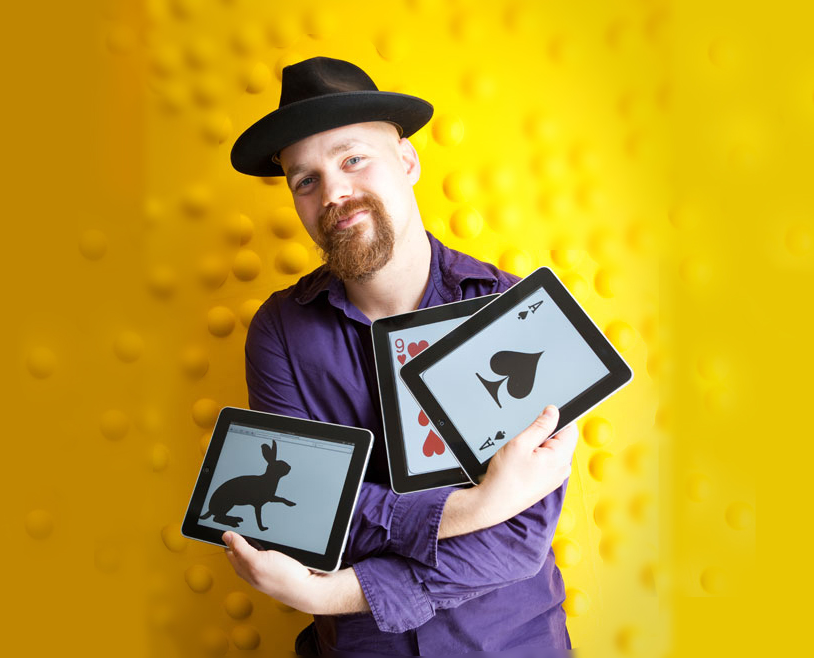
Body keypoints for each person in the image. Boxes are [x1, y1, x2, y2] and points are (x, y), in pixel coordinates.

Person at [223, 56, 579, 656]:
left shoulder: (512, 311)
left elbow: (517, 539)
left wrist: (333, 594)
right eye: (305, 180)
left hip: (511, 644)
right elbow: (304, 516)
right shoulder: (280, 332)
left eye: (352, 158)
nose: (333, 191)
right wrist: (476, 505)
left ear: (408, 162)